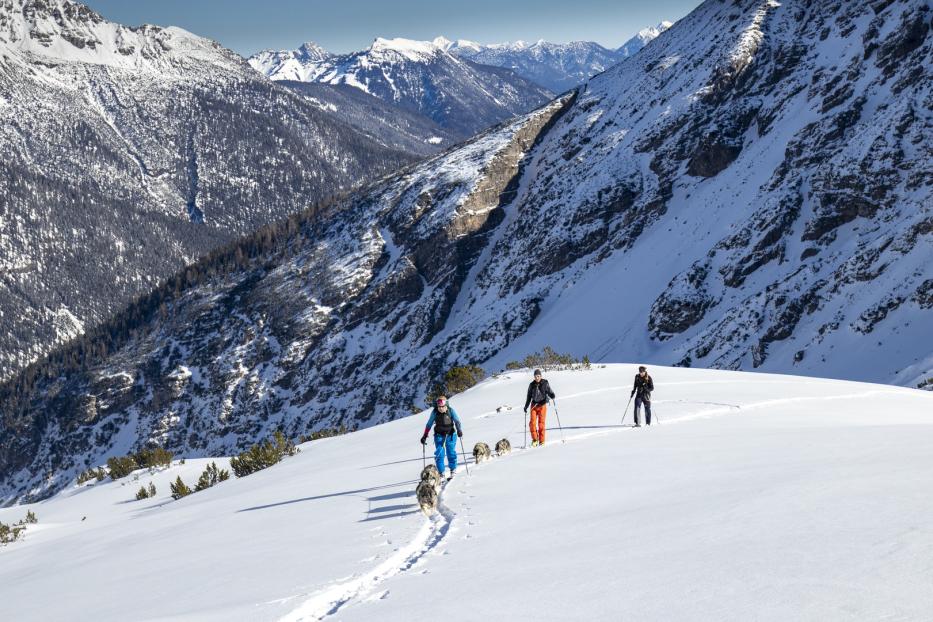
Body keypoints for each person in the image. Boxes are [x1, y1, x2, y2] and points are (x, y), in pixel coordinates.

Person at [420, 396, 463, 479]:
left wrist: (459, 430)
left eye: (442, 406)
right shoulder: (435, 412)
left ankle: (453, 470)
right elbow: (429, 424)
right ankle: (441, 473)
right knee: (439, 454)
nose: (441, 408)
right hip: (439, 436)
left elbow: (457, 421)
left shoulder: (450, 411)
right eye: (439, 406)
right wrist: (425, 435)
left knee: (451, 452)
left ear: (446, 405)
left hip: (450, 435)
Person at [524, 369, 555, 446]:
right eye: (535, 376)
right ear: (534, 377)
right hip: (534, 406)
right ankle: (535, 440)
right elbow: (528, 396)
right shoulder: (531, 385)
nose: (537, 378)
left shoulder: (545, 383)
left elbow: (549, 391)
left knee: (541, 424)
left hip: (542, 406)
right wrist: (526, 406)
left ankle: (542, 441)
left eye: (538, 376)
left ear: (541, 376)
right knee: (532, 423)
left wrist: (552, 395)